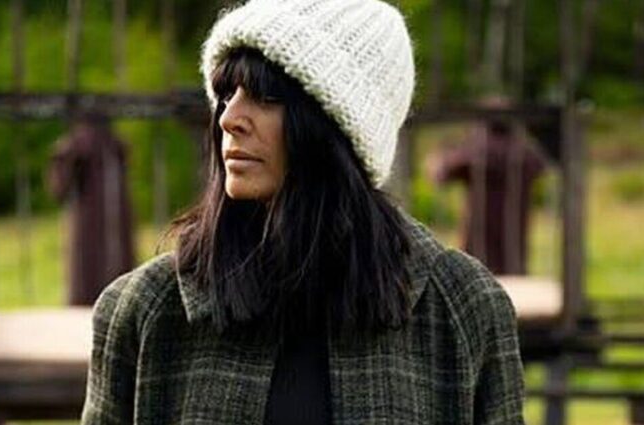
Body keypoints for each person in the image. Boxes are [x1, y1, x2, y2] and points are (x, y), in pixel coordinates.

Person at [81, 0, 525, 423]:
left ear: (335, 128)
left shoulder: (463, 306)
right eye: (225, 93)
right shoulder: (144, 309)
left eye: (264, 95)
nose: (229, 118)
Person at [430, 114, 547, 275]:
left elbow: (440, 174)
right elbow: (541, 167)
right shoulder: (524, 152)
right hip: (512, 241)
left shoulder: (475, 151)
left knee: (476, 272)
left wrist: (444, 153)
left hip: (478, 240)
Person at [47, 113, 136, 306]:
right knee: (89, 263)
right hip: (89, 218)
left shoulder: (113, 147)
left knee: (109, 260)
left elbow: (58, 188)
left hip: (105, 219)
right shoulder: (80, 147)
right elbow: (59, 188)